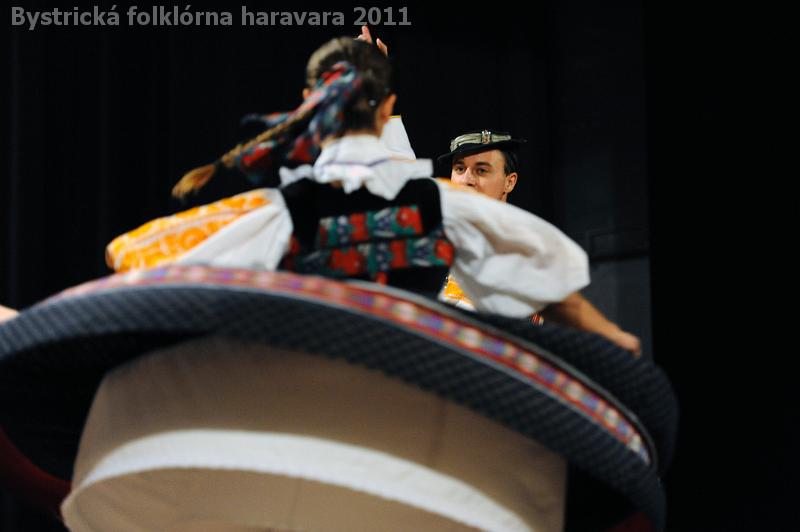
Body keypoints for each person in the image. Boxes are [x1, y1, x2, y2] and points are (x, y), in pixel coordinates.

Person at [106, 36, 637, 354]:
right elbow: (556, 292)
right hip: (420, 414)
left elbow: (139, 265)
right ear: (387, 109)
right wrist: (620, 348)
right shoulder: (447, 208)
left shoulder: (274, 216)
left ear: (310, 101)